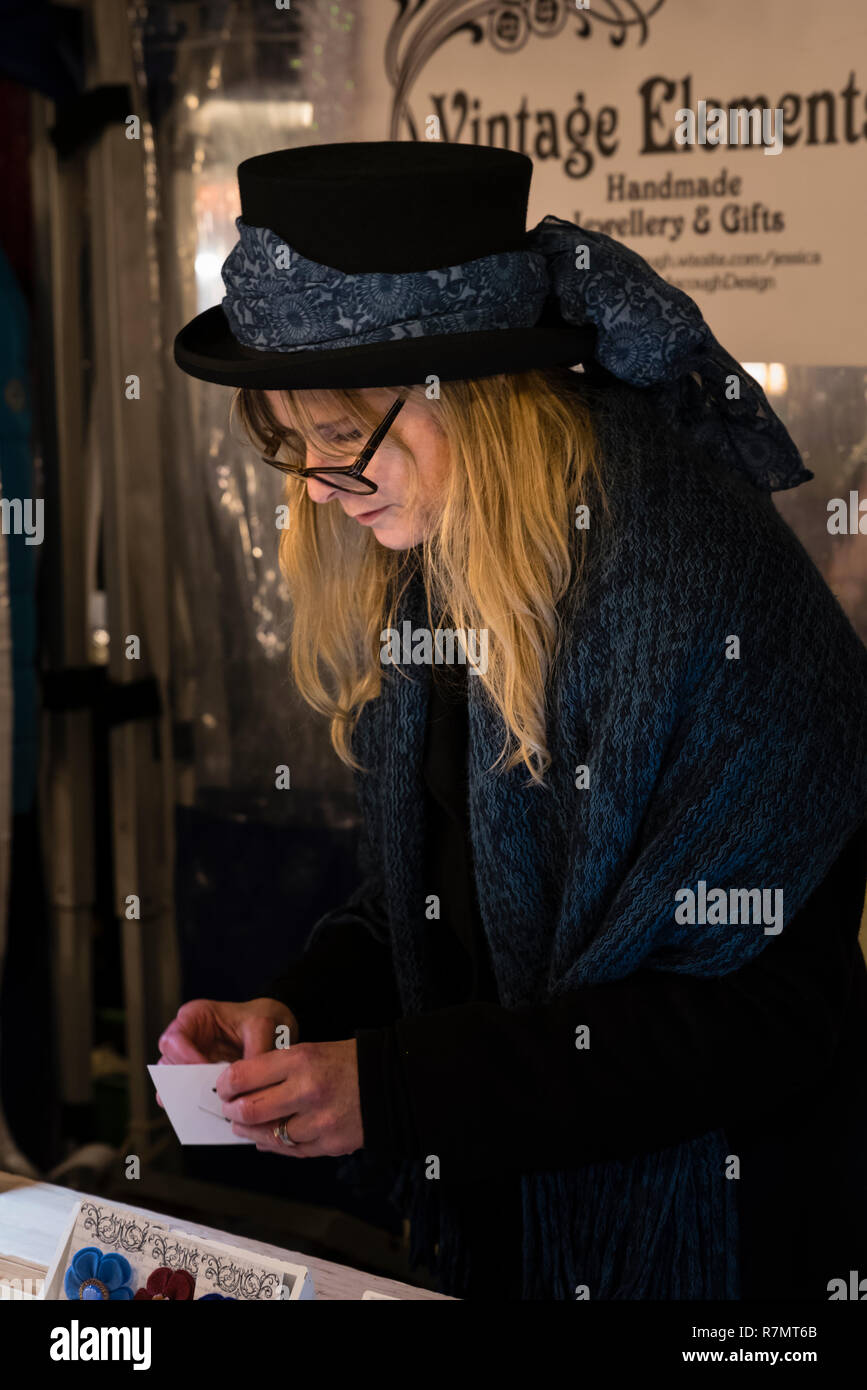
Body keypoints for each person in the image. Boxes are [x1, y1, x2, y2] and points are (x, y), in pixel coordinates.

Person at [165, 141, 867, 1301]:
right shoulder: (448, 547)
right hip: (509, 1217)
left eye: (340, 435)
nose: (314, 484)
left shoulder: (688, 575)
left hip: (726, 1241)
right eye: (289, 438)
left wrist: (391, 1090)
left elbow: (761, 1014)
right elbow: (433, 903)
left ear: (469, 393)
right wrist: (303, 1016)